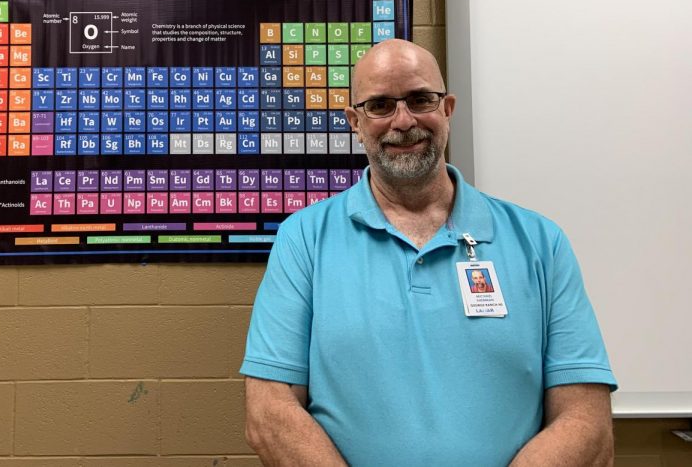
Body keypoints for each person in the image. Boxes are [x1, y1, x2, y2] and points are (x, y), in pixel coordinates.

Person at [240, 39, 616, 466]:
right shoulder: (304, 239)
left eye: (420, 99)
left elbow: (587, 421)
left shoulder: (540, 243)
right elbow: (269, 412)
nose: (403, 121)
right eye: (380, 105)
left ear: (447, 109)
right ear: (354, 122)